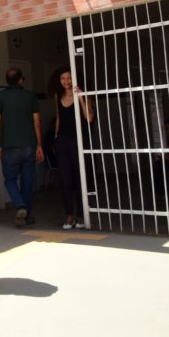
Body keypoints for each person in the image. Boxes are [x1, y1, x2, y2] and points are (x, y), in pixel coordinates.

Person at [0, 68, 44, 227]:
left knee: (10, 180)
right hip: (29, 145)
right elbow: (37, 122)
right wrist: (39, 145)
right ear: (21, 80)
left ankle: (20, 205)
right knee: (27, 181)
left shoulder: (0, 96)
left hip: (9, 146)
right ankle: (27, 216)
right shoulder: (30, 96)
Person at [50, 67, 94, 230]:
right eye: (63, 78)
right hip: (62, 142)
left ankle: (82, 215)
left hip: (78, 141)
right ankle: (69, 215)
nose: (66, 81)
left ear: (74, 78)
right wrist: (55, 138)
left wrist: (81, 97)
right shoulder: (57, 96)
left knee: (80, 178)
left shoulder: (84, 94)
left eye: (69, 78)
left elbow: (89, 118)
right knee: (65, 179)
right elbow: (58, 118)